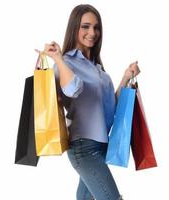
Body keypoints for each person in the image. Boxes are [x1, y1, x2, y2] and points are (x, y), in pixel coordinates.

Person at [37, 4, 140, 200]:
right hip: (83, 147)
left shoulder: (97, 68)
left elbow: (111, 108)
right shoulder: (65, 62)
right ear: (74, 28)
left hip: (101, 146)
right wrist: (58, 59)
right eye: (85, 26)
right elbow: (73, 89)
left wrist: (125, 78)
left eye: (96, 27)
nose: (92, 32)